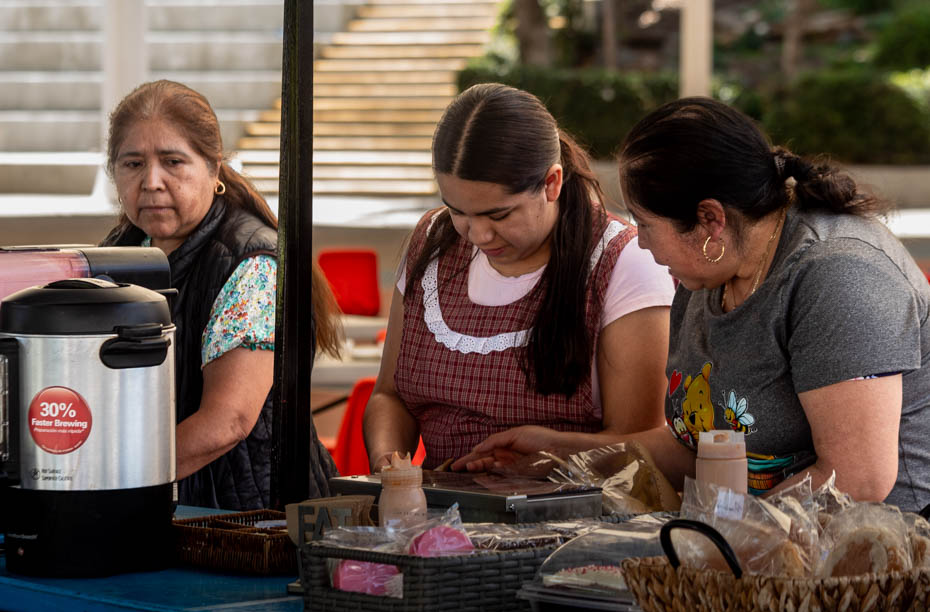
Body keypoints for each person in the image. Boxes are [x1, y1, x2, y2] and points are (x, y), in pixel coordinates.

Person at [454, 96, 930, 513]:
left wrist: (722, 542)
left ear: (709, 220)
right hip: (771, 546)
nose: (639, 243)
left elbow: (858, 479)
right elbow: (692, 449)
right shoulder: (705, 276)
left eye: (644, 223)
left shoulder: (838, 274)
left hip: (886, 554)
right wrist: (562, 453)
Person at [363, 83, 675, 472]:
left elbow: (639, 448)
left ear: (552, 183)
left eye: (499, 215)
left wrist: (552, 453)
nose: (478, 235)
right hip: (438, 516)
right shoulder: (432, 241)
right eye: (457, 211)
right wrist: (389, 465)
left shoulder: (624, 262)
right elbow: (390, 396)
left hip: (573, 522)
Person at [101, 80, 335, 509]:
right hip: (164, 506)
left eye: (173, 161)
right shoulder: (122, 250)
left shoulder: (253, 264)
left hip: (250, 521)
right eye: (133, 164)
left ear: (213, 168)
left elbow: (228, 421)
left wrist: (107, 477)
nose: (151, 181)